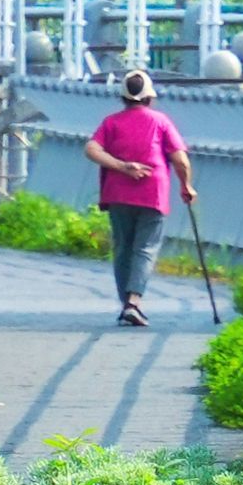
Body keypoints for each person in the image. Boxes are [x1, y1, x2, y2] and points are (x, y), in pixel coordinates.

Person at [87, 64, 190, 328]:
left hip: (118, 193)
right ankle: (133, 303)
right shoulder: (161, 122)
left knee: (123, 248)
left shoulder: (111, 122)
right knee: (145, 248)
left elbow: (91, 149)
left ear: (123, 97)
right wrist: (186, 186)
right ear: (149, 97)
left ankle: (126, 306)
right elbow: (180, 160)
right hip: (153, 192)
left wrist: (121, 166)